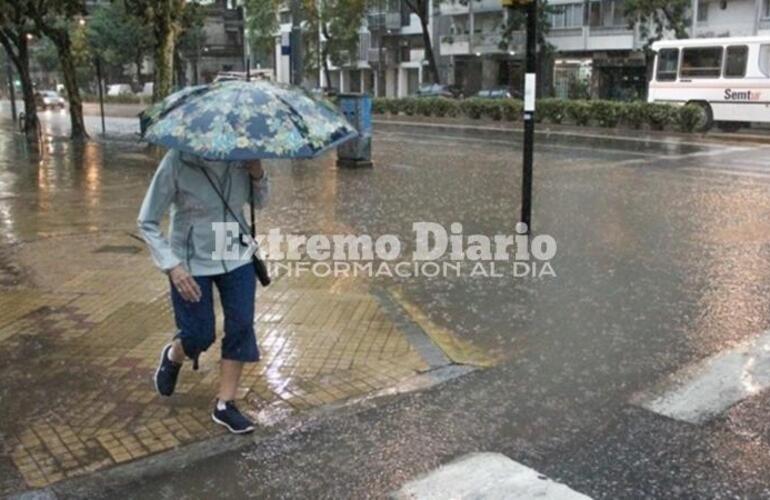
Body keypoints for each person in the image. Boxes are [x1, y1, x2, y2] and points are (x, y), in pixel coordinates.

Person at [137, 149, 269, 434]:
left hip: (235, 252)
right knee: (199, 334)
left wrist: (257, 172)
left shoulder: (242, 155)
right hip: (189, 260)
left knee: (242, 326)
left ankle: (225, 404)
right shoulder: (177, 160)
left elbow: (260, 201)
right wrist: (171, 266)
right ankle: (174, 355)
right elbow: (147, 221)